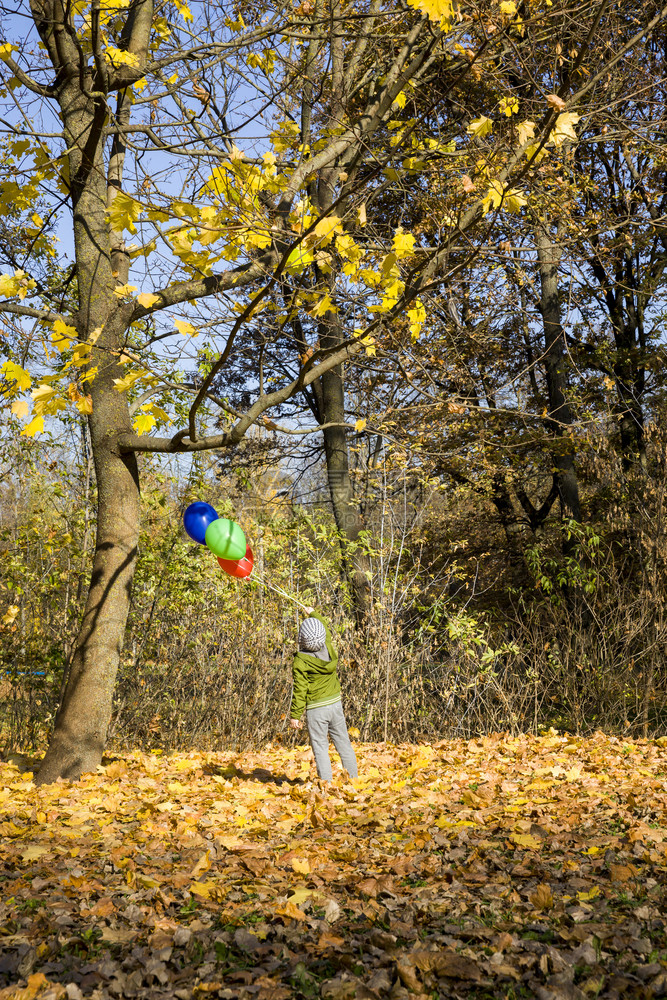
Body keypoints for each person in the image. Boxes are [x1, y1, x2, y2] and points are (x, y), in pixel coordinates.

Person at [289, 607, 358, 782]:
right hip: (335, 704)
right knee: (344, 743)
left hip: (316, 709)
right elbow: (324, 626)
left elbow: (300, 689)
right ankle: (354, 780)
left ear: (301, 639)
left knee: (320, 748)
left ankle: (326, 785)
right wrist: (313, 612)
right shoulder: (328, 647)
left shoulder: (300, 661)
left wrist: (295, 715)